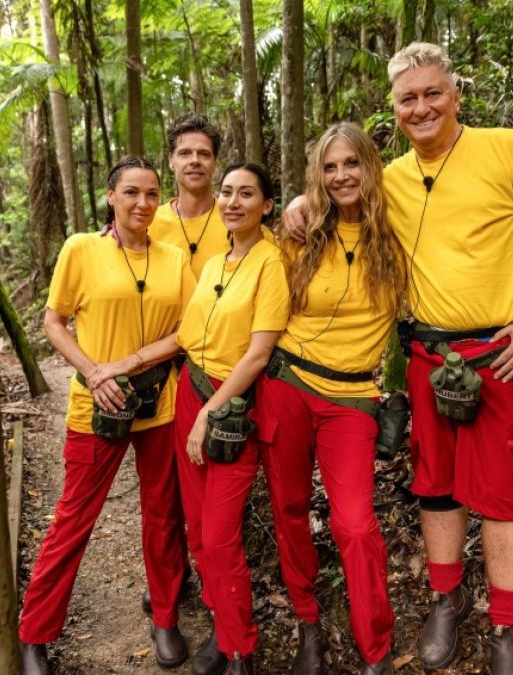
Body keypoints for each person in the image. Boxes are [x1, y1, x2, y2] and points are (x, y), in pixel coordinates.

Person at [283, 43, 513, 674]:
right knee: (435, 486)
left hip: (502, 353)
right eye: (408, 98)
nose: (422, 107)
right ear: (394, 108)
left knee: (504, 494)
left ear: (455, 94)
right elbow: (337, 192)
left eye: (433, 93)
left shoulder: (508, 149)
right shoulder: (389, 180)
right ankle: (447, 597)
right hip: (427, 355)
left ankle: (507, 629)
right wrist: (300, 202)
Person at [17, 156, 194, 674]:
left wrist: (132, 362)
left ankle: (165, 618)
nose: (143, 203)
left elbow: (188, 330)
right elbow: (54, 322)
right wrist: (95, 372)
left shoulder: (173, 258)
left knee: (163, 514)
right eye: (131, 192)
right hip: (98, 402)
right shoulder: (82, 248)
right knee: (74, 517)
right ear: (111, 196)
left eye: (152, 193)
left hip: (159, 401)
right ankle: (34, 633)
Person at [260, 123, 405, 675]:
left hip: (353, 399)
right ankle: (308, 624)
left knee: (355, 525)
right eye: (329, 167)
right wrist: (297, 206)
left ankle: (376, 650)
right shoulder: (299, 234)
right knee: (290, 508)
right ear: (317, 176)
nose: (342, 175)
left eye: (351, 163)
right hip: (287, 386)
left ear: (371, 167)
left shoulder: (399, 231)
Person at [174, 163, 290, 675]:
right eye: (226, 192)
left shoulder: (272, 264)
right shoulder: (215, 263)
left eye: (246, 194)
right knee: (198, 531)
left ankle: (241, 649)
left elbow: (259, 353)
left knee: (221, 536)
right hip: (189, 394)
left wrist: (209, 411)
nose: (233, 202)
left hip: (231, 410)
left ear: (267, 205)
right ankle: (222, 628)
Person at [149, 114, 226, 279]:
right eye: (185, 153)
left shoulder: (235, 220)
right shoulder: (149, 222)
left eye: (204, 154)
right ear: (171, 161)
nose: (195, 161)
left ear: (215, 163)